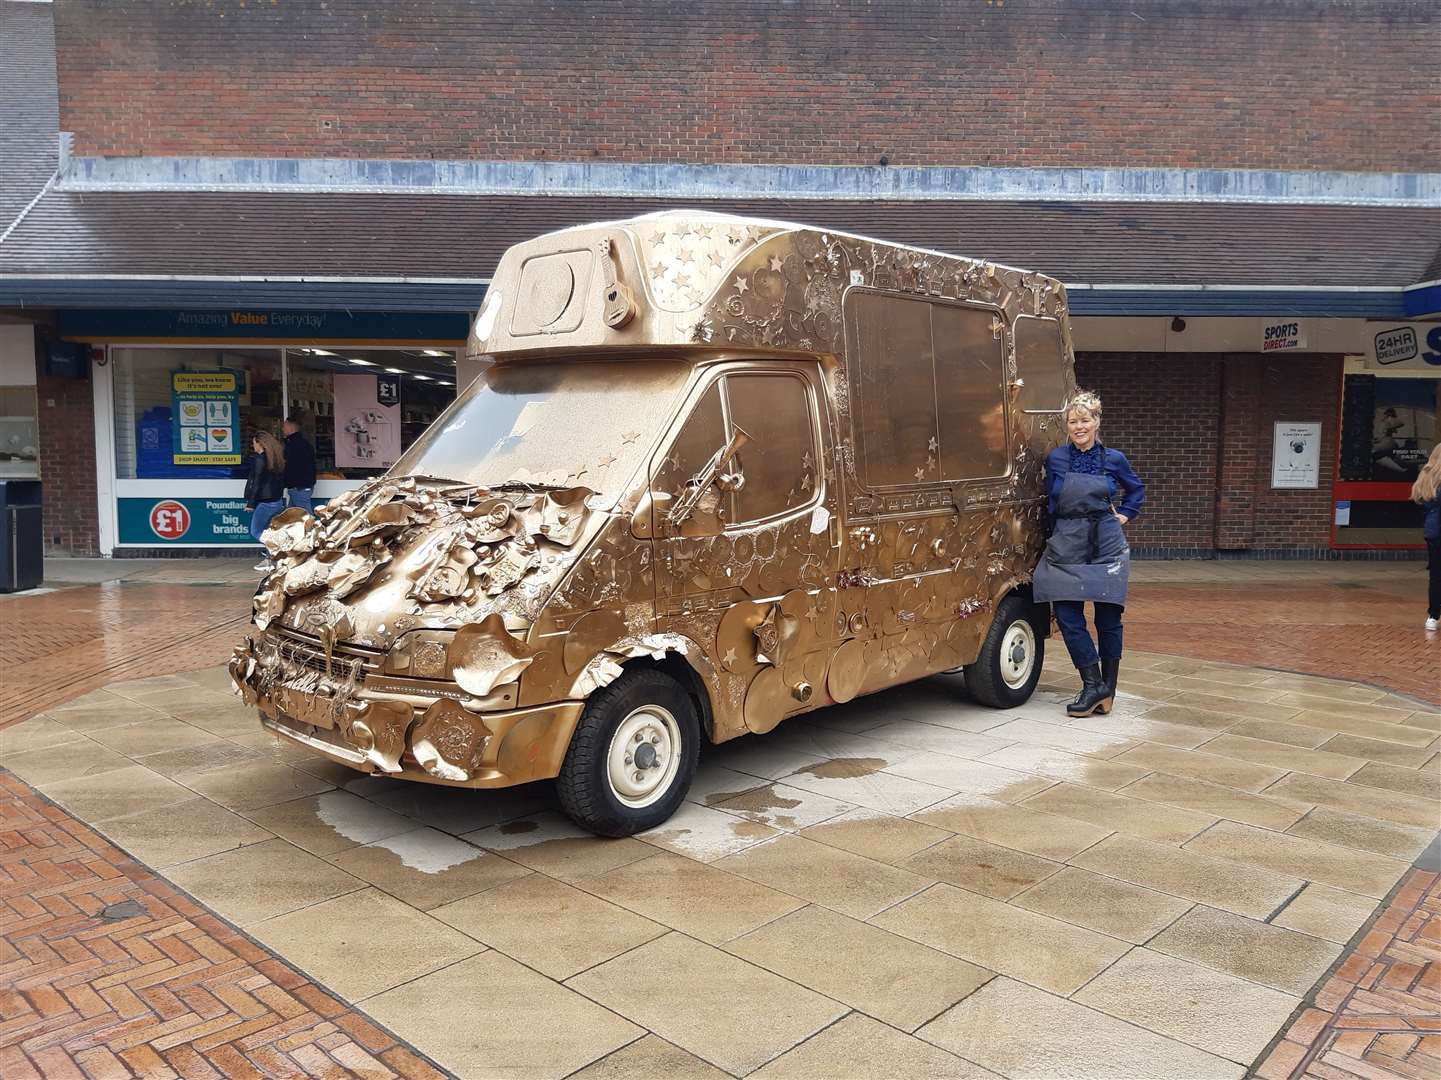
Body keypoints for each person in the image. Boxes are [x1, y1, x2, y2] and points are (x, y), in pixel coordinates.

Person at [1031, 389, 1145, 716]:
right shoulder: (1056, 459)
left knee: (1109, 617)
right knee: (1067, 615)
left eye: (1084, 420)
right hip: (1067, 540)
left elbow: (1136, 489)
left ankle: (1107, 691)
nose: (1079, 426)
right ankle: (1093, 683)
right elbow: (1050, 502)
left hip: (1106, 542)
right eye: (1072, 421)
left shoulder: (1114, 459)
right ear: (1066, 426)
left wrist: (1125, 514)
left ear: (1096, 421)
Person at [244, 431, 287, 571]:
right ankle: (271, 560)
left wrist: (251, 503)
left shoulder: (259, 459)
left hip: (265, 502)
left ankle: (277, 550)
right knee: (269, 531)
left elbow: (256, 482)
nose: (253, 445)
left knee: (256, 531)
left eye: (254, 442)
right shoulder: (276, 458)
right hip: (277, 500)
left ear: (260, 444)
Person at [1411, 443, 1441, 631]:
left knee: (1436, 575)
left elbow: (1419, 502)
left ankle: (1433, 615)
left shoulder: (1426, 477)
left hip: (1432, 532)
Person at [282, 411, 317, 513]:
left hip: (299, 487)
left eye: (284, 426)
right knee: (291, 517)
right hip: (300, 486)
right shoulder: (303, 444)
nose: (282, 428)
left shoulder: (293, 445)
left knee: (306, 516)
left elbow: (292, 466)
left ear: (291, 427)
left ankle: (314, 529)